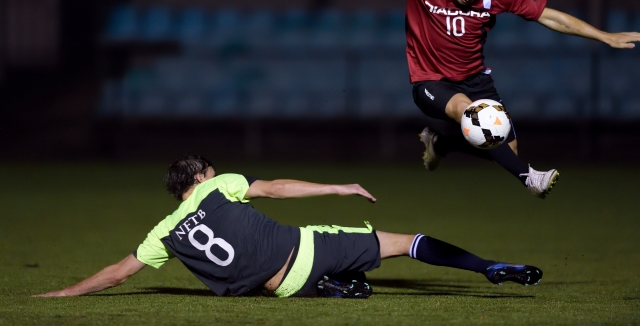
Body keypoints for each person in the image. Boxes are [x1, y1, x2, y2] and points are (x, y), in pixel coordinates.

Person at [348, 0, 640, 198]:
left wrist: (603, 36)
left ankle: (440, 144)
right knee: (469, 113)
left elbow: (549, 16)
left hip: (475, 79)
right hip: (430, 81)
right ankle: (531, 178)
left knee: (506, 147)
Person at [34, 155, 543, 298]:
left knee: (318, 279)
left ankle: (335, 288)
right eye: (211, 170)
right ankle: (489, 267)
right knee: (404, 243)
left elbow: (117, 273)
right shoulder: (218, 185)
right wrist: (339, 188)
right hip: (307, 249)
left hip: (280, 289)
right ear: (199, 177)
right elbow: (275, 188)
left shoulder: (163, 233)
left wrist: (64, 293)